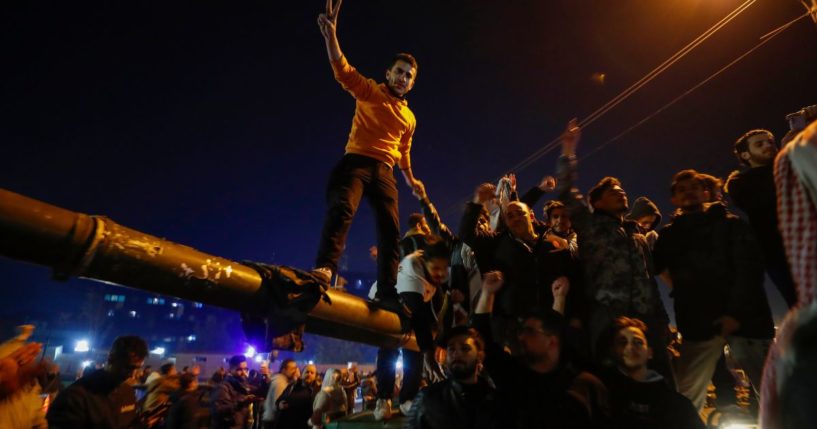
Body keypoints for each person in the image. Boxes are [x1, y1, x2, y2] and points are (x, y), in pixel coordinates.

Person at [312, 0, 424, 313]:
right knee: (343, 207)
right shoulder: (371, 92)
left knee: (391, 230)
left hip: (385, 172)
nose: (402, 78)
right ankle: (324, 268)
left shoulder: (410, 117)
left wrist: (411, 178)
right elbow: (343, 71)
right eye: (398, 72)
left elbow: (404, 149)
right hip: (357, 163)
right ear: (388, 73)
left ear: (412, 83)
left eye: (408, 76)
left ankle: (387, 291)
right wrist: (330, 37)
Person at [555, 119, 673, 384]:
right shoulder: (589, 225)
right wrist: (568, 152)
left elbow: (649, 279)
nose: (621, 195)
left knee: (660, 378)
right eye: (613, 193)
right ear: (596, 202)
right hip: (607, 314)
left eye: (622, 192)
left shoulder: (636, 235)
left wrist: (662, 319)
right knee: (610, 377)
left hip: (646, 316)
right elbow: (564, 190)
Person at [653, 169, 774, 411]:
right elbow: (660, 268)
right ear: (674, 199)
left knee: (773, 394)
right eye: (682, 190)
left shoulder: (730, 224)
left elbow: (749, 270)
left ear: (705, 192)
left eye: (694, 188)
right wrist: (684, 293)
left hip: (746, 321)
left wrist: (734, 313)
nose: (689, 193)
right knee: (687, 398)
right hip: (698, 325)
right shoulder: (669, 235)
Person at [472, 271, 609, 428]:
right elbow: (481, 338)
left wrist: (560, 299)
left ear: (551, 342)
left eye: (530, 331)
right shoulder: (513, 375)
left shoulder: (580, 383)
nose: (521, 337)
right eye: (521, 331)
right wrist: (488, 293)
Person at [460, 194, 575, 348]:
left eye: (520, 213)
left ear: (531, 216)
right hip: (513, 328)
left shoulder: (553, 242)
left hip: (550, 322)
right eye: (510, 216)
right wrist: (477, 202)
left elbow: (572, 276)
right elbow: (467, 234)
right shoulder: (496, 242)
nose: (515, 218)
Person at [372, 238, 450, 420]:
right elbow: (420, 315)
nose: (439, 273)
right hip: (392, 304)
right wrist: (429, 352)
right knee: (389, 347)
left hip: (412, 307)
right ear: (425, 262)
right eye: (435, 268)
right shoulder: (413, 266)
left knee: (414, 352)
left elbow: (437, 309)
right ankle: (384, 398)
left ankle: (408, 398)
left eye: (443, 269)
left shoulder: (437, 273)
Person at [725, 129, 797, 307]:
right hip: (781, 256)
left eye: (771, 142)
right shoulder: (739, 183)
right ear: (745, 154)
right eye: (760, 144)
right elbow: (768, 196)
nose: (768, 146)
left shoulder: (792, 165)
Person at [600, 317, 703, 429]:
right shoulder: (601, 396)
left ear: (649, 352)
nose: (630, 347)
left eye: (638, 342)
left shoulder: (677, 405)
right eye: (622, 342)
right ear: (612, 351)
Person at [405, 325, 503, 429]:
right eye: (451, 349)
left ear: (480, 356)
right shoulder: (427, 398)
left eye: (465, 348)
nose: (457, 353)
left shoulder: (495, 402)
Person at [47, 335, 148, 429]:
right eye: (128, 368)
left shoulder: (128, 393)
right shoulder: (75, 396)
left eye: (137, 369)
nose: (132, 374)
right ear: (111, 358)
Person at [209, 355, 256, 429]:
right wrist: (241, 403)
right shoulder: (223, 387)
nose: (244, 373)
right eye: (239, 369)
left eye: (245, 369)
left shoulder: (242, 385)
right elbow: (217, 411)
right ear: (230, 369)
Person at [274, 364, 321, 429]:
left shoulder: (316, 391)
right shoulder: (292, 386)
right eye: (307, 372)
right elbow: (278, 401)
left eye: (312, 373)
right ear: (302, 374)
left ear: (315, 376)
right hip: (285, 424)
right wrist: (280, 404)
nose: (309, 374)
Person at [261, 358, 299, 428]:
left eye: (296, 368)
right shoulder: (280, 383)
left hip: (272, 420)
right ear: (284, 370)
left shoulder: (283, 381)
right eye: (292, 369)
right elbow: (277, 405)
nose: (295, 371)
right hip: (272, 421)